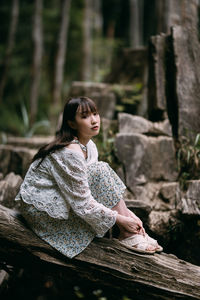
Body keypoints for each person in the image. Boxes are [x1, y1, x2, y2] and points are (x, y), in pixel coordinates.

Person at [15, 97, 162, 258]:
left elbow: (94, 188)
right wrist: (120, 220)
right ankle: (128, 233)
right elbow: (82, 202)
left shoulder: (89, 147)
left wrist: (129, 215)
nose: (93, 120)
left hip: (66, 199)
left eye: (95, 114)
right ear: (71, 123)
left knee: (100, 169)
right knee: (100, 169)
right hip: (42, 213)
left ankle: (130, 232)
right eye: (85, 116)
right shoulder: (70, 152)